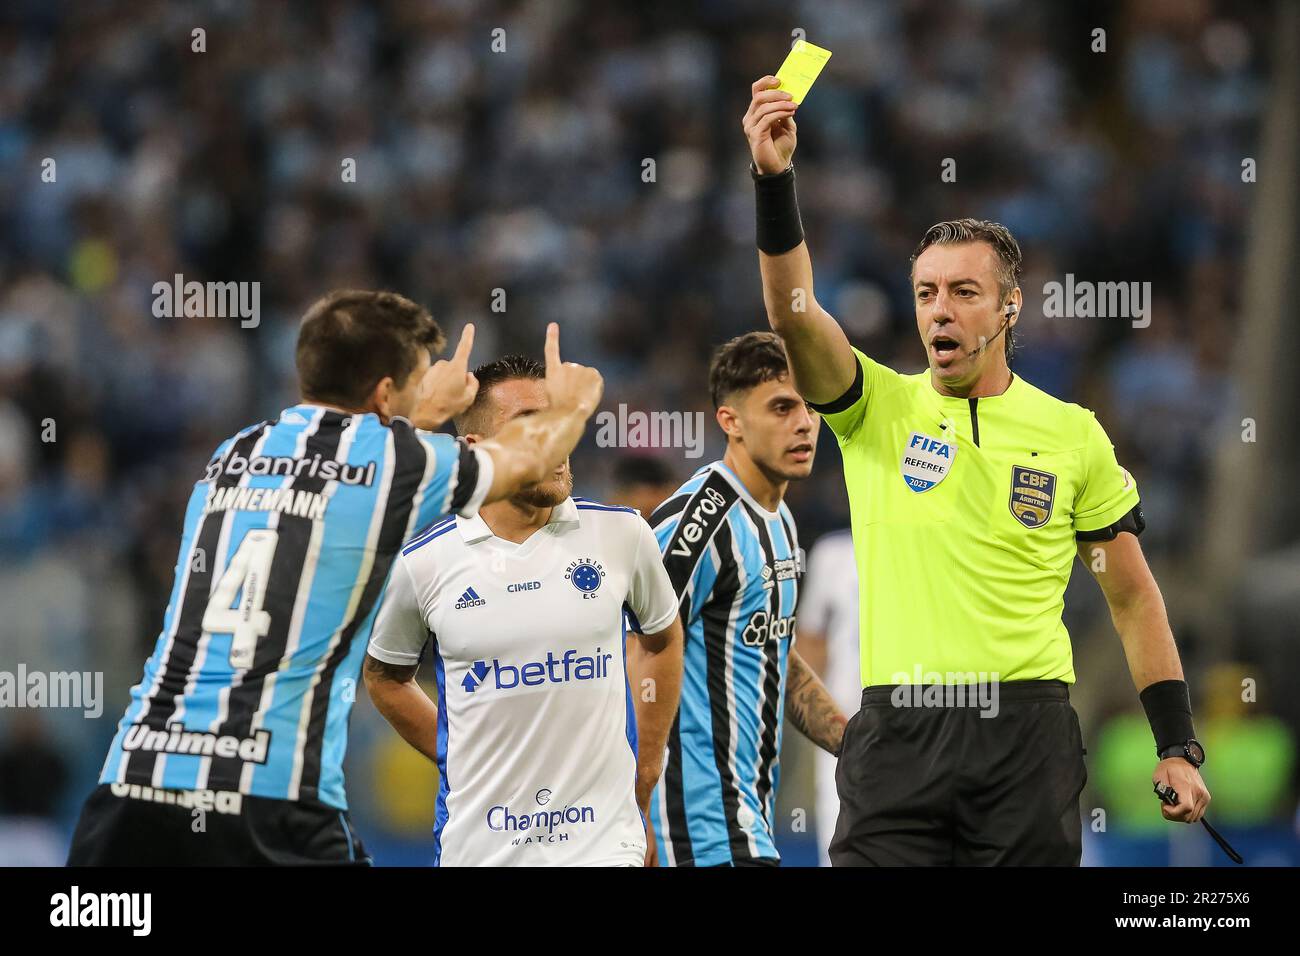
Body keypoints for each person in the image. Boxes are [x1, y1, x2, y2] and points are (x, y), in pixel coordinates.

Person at [742, 76, 1211, 865]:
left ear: (1009, 308)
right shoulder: (872, 407)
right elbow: (791, 314)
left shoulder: (1072, 435)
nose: (940, 311)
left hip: (1025, 737)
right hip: (898, 732)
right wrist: (774, 181)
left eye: (964, 292)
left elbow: (1132, 598)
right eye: (926, 293)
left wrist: (1178, 745)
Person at [68, 291, 603, 865]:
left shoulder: (232, 453)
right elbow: (524, 461)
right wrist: (569, 408)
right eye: (419, 377)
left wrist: (413, 413)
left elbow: (344, 465)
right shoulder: (402, 463)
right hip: (271, 797)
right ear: (384, 392)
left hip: (135, 778)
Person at [364, 354, 683, 866]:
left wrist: (645, 770)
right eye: (531, 427)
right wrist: (454, 753)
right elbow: (385, 676)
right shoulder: (424, 563)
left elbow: (662, 638)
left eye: (559, 421)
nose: (556, 443)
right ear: (476, 449)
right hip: (481, 850)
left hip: (603, 847)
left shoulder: (622, 535)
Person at [645, 331, 847, 867]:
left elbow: (769, 645)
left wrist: (851, 744)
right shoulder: (700, 524)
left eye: (810, 408)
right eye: (781, 407)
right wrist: (633, 807)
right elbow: (632, 654)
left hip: (746, 822)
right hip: (688, 830)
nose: (804, 423)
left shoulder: (779, 517)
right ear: (730, 421)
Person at [792, 528, 859, 866]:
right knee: (838, 838)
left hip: (913, 719)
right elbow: (810, 637)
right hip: (842, 725)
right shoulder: (834, 552)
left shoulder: (926, 545)